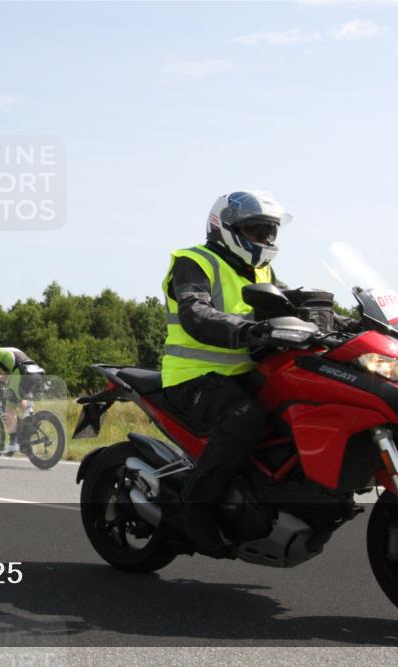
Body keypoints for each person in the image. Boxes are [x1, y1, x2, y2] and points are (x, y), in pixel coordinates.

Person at [160, 190, 289, 557]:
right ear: (226, 227)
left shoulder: (261, 269)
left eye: (269, 232)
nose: (264, 240)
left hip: (246, 373)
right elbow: (195, 311)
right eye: (256, 230)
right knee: (245, 419)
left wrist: (339, 320)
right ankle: (196, 508)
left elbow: (285, 304)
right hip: (193, 377)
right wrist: (244, 330)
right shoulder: (194, 262)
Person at [0, 343, 45, 456]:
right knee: (19, 398)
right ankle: (32, 423)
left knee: (9, 409)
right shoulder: (10, 351)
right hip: (37, 372)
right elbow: (6, 376)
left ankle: (13, 443)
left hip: (22, 373)